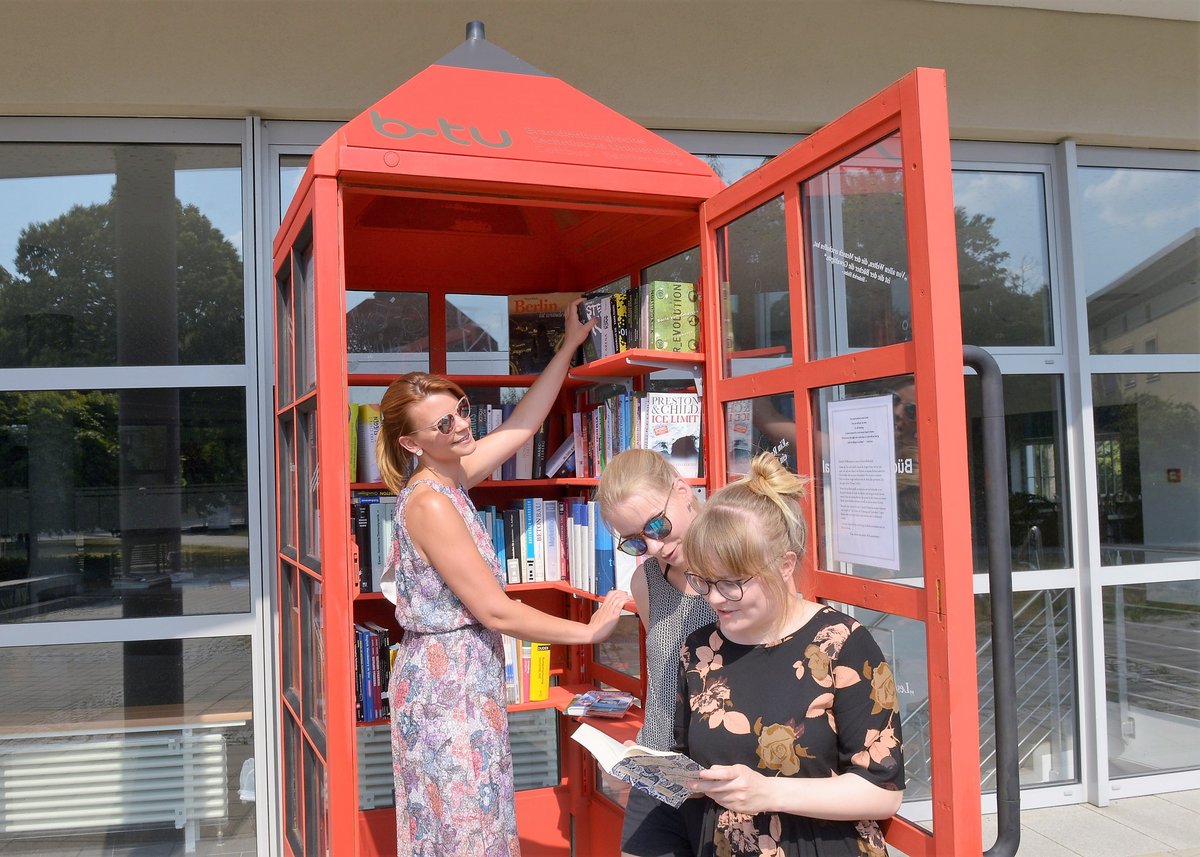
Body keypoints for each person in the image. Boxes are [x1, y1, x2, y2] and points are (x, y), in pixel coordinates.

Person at [376, 297, 629, 857]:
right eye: (445, 423)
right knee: (463, 831)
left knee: (476, 823)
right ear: (412, 444)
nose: (463, 423)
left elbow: (523, 424)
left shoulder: (451, 477)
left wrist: (568, 345)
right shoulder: (431, 503)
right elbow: (495, 610)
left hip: (465, 679)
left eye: (462, 408)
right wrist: (588, 633)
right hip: (447, 689)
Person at [676, 452, 904, 857]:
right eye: (703, 580)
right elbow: (688, 762)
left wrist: (768, 792)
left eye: (730, 583)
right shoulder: (698, 650)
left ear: (784, 565)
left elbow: (881, 790)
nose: (713, 598)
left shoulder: (842, 643)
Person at [595, 448, 717, 857]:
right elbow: (667, 672)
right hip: (661, 765)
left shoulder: (735, 567)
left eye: (658, 525)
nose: (654, 545)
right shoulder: (646, 579)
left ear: (683, 492)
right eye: (635, 541)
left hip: (720, 772)